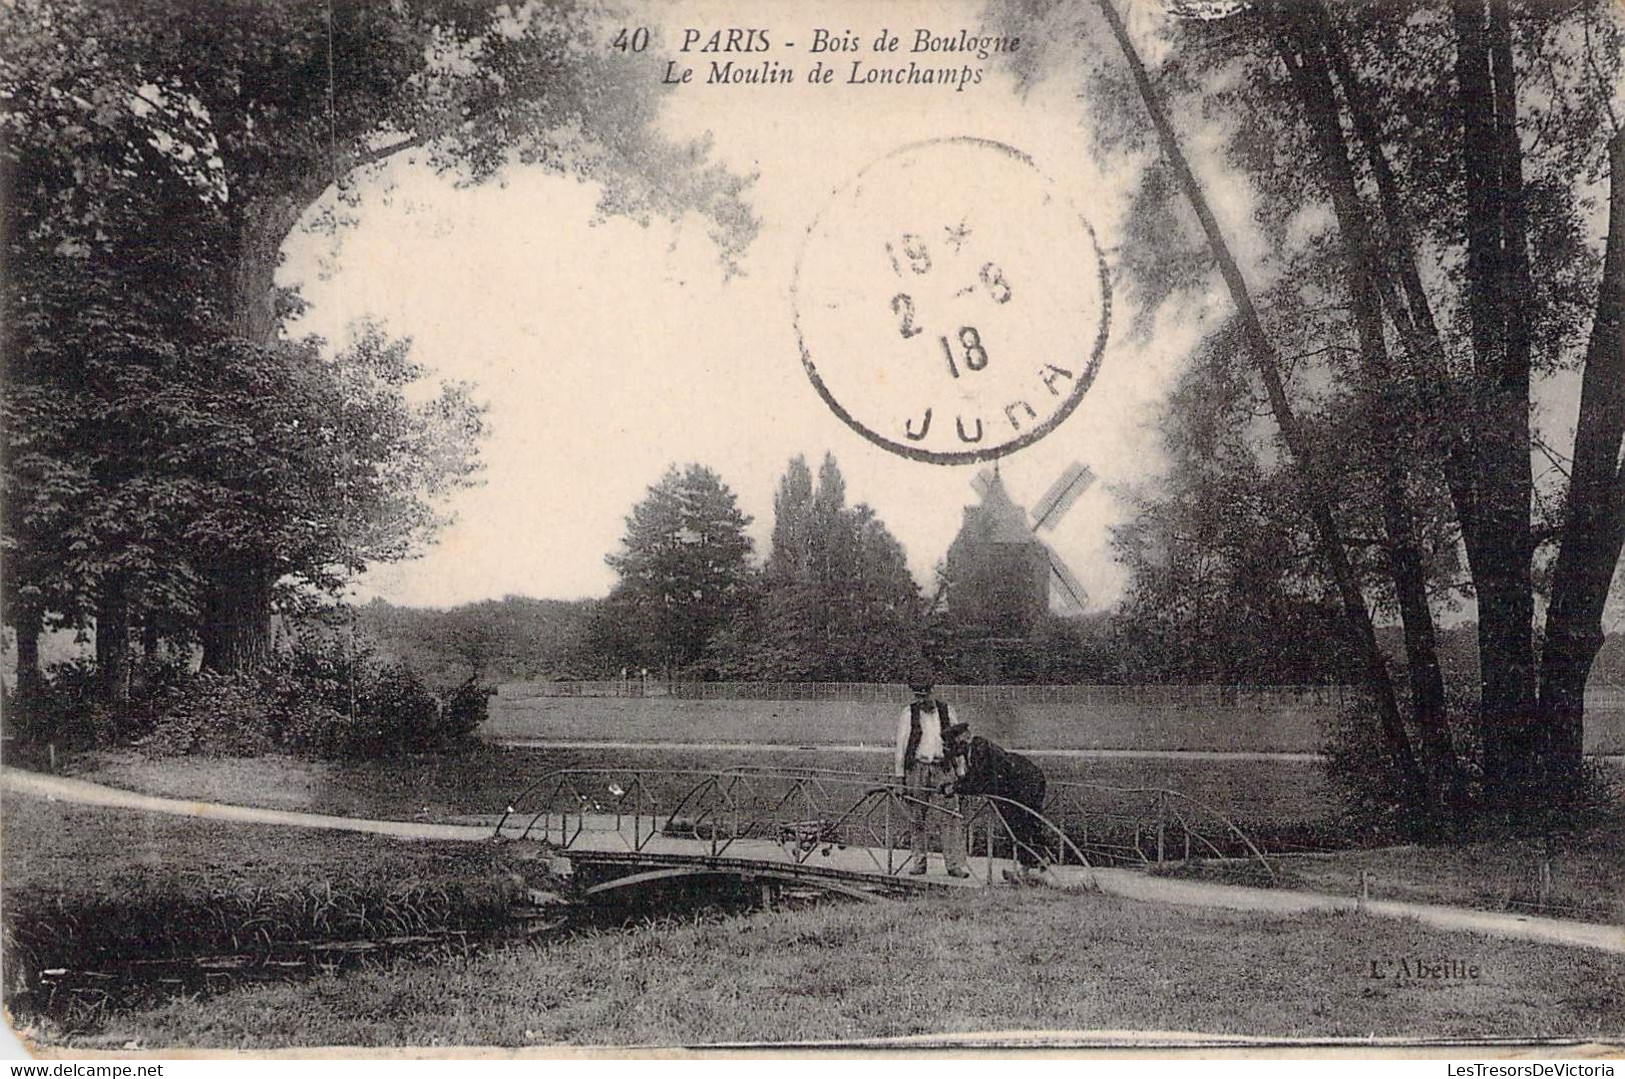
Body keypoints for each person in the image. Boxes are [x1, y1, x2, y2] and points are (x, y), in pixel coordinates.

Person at [945, 732, 1049, 882]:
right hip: (1019, 783)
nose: (953, 749)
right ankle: (1034, 864)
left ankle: (1032, 866)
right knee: (1022, 824)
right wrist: (956, 786)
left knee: (1022, 824)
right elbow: (975, 777)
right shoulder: (975, 749)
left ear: (962, 740)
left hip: (1023, 784)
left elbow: (978, 781)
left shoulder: (979, 749)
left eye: (953, 743)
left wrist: (954, 788)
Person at [893, 679, 969, 878]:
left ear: (932, 691)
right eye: (918, 695)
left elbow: (957, 744)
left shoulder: (947, 712)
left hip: (942, 768)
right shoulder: (908, 713)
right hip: (918, 769)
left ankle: (954, 865)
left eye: (925, 694)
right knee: (917, 816)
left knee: (950, 815)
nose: (922, 699)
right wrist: (900, 779)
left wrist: (961, 774)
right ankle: (919, 862)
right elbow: (900, 748)